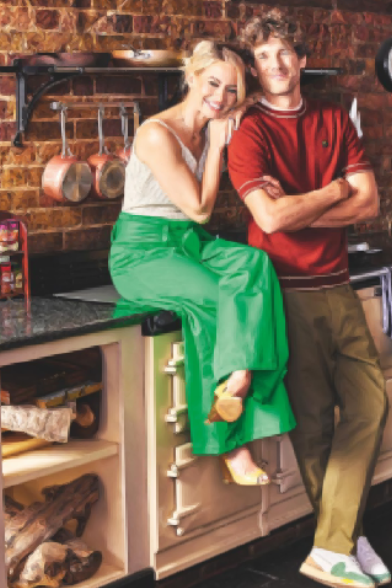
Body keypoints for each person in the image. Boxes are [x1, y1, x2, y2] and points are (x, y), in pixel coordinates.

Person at [228, 10, 390, 588]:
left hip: (337, 285)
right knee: (316, 425)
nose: (274, 65)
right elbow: (269, 219)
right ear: (255, 67)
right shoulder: (248, 132)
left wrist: (304, 207)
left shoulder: (332, 118)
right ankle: (344, 540)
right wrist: (332, 190)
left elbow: (367, 204)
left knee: (371, 405)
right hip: (283, 293)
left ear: (299, 58)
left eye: (283, 54)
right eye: (262, 58)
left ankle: (333, 541)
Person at [109, 41, 298, 486]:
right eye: (213, 83)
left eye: (232, 90)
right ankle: (230, 442)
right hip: (142, 252)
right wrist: (216, 149)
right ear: (191, 77)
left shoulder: (216, 117)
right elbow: (197, 207)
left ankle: (241, 374)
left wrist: (258, 179)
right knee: (218, 298)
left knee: (254, 265)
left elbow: (195, 215)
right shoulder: (159, 133)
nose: (222, 96)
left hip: (189, 243)